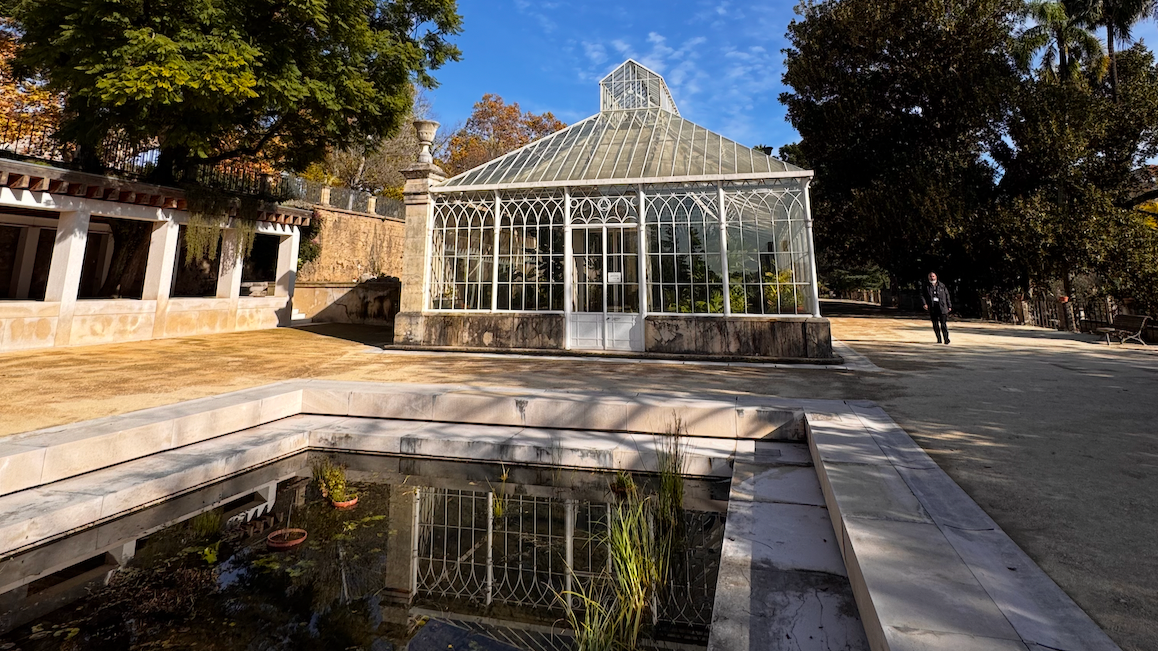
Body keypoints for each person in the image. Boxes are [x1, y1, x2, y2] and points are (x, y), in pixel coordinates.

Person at [921, 271, 952, 344]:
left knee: (943, 324)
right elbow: (922, 296)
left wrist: (949, 305)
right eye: (930, 276)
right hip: (932, 307)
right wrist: (924, 304)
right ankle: (939, 339)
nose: (932, 278)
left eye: (933, 276)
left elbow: (947, 296)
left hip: (942, 307)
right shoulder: (926, 286)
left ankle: (946, 339)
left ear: (936, 277)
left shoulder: (942, 286)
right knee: (935, 324)